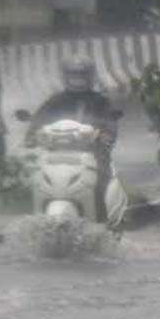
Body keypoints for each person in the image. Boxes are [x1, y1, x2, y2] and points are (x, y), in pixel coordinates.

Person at [25, 56, 119, 221]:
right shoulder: (55, 101)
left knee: (102, 185)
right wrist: (31, 134)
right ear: (65, 76)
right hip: (56, 156)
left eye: (82, 74)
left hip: (93, 155)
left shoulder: (100, 102)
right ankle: (34, 224)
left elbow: (109, 122)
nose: (78, 79)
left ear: (90, 76)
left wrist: (106, 135)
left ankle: (104, 225)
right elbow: (39, 119)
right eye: (74, 74)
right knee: (33, 181)